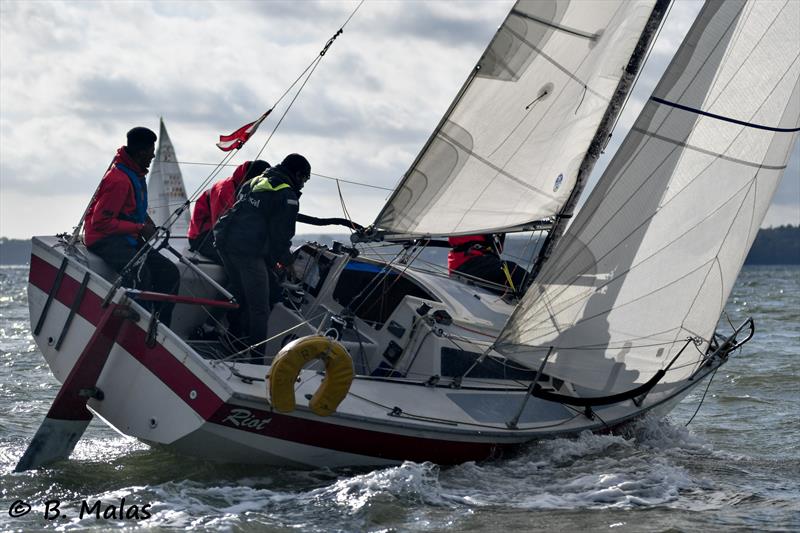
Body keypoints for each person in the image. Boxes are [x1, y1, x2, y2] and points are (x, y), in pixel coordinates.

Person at [214, 153, 311, 364]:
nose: (303, 184)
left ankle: (229, 338)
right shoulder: (287, 195)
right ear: (297, 174)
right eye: (305, 179)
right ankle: (256, 361)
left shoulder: (255, 181)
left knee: (241, 295)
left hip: (225, 244)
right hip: (248, 253)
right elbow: (280, 236)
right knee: (260, 308)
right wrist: (287, 262)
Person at [84, 127, 180, 326]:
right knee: (140, 273)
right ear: (140, 152)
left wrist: (145, 222)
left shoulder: (135, 174)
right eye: (151, 151)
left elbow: (130, 207)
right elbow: (100, 223)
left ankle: (160, 327)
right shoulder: (118, 180)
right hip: (103, 239)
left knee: (170, 272)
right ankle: (137, 324)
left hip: (126, 237)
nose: (153, 154)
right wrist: (139, 228)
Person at [187, 160, 270, 263]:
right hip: (203, 236)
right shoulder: (224, 189)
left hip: (222, 234)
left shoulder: (243, 188)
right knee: (240, 262)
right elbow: (221, 225)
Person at [448, 234, 527, 295]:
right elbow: (498, 249)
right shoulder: (482, 221)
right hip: (469, 262)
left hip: (461, 265)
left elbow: (497, 249)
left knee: (509, 290)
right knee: (512, 271)